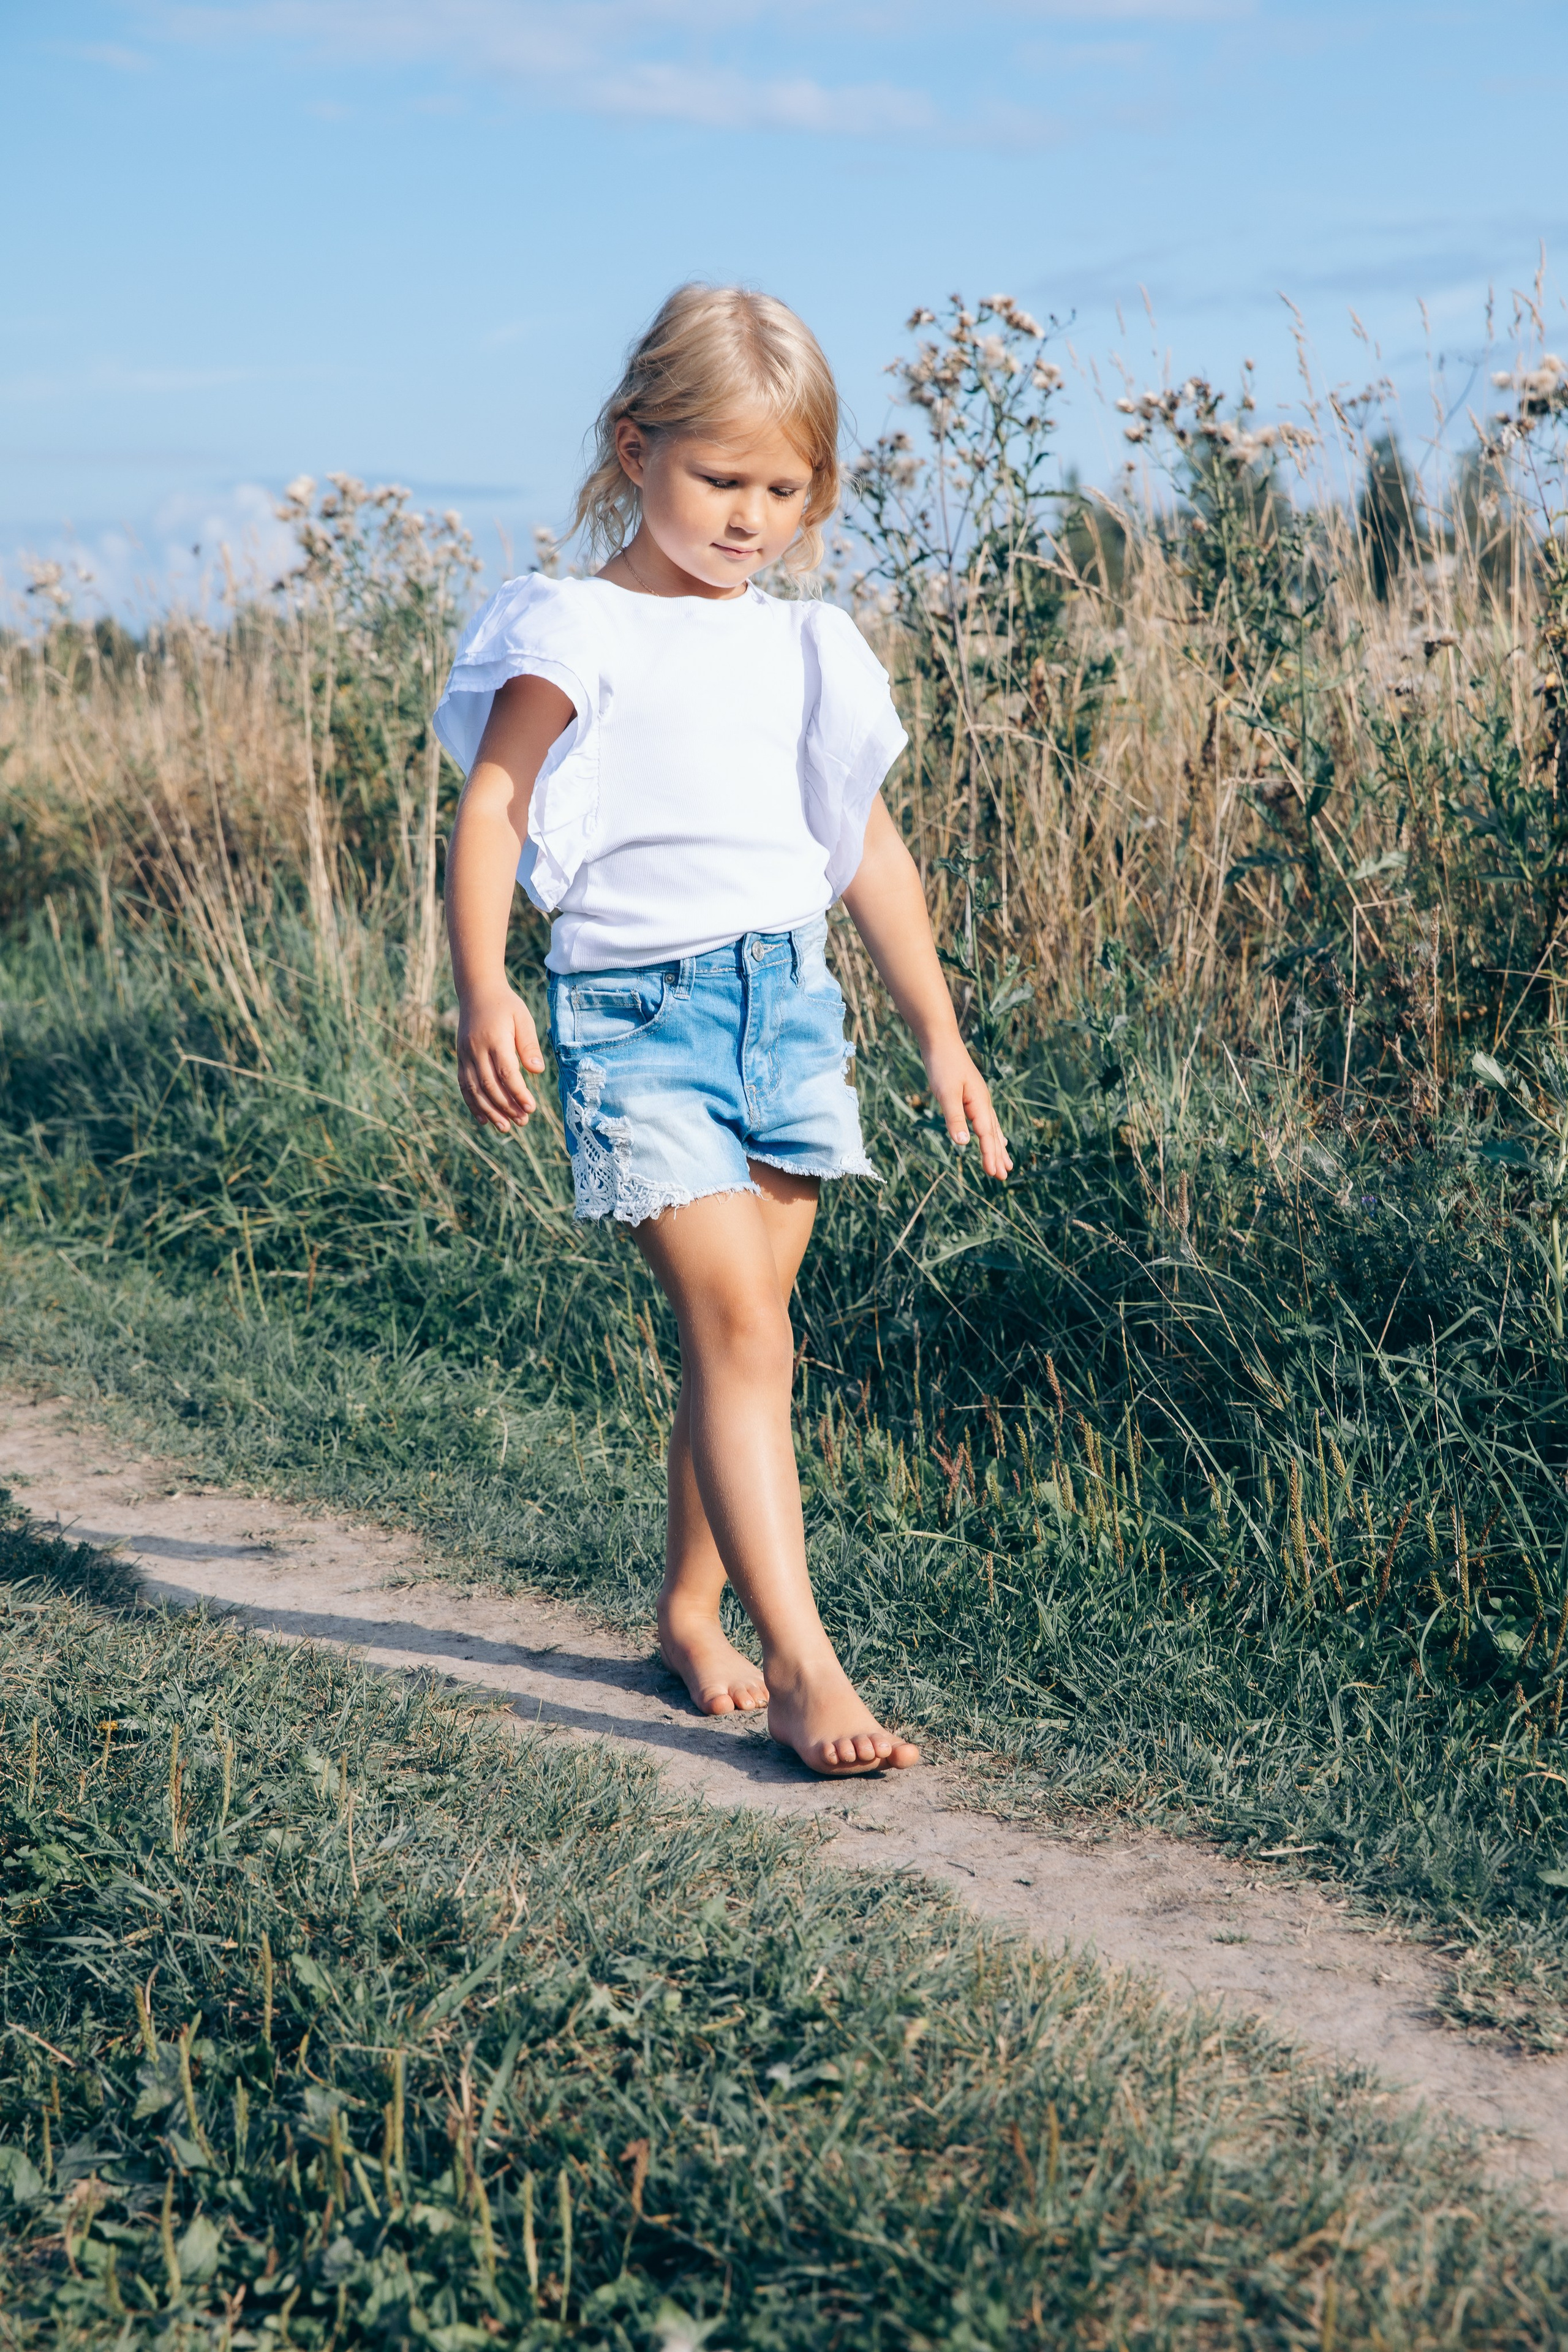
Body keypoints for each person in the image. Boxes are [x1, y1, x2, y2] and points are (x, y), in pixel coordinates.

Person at [434, 284, 1010, 1777]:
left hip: (786, 1011)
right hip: (636, 1017)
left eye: (783, 488)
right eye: (719, 480)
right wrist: (485, 982)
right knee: (740, 1328)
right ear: (634, 451)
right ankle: (808, 1666)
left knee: (747, 1340)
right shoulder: (576, 623)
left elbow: (866, 849)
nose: (751, 518)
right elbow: (491, 804)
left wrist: (938, 1032)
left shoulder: (809, 648)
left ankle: (694, 1608)